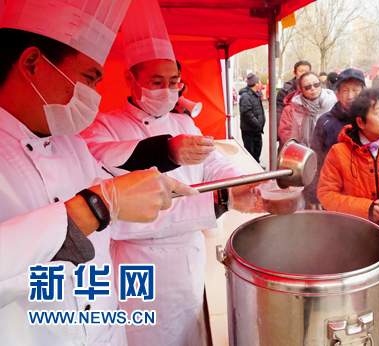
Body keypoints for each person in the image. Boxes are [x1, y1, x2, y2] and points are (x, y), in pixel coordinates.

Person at [0, 1, 200, 345]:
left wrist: (220, 201)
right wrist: (91, 208)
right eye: (89, 79)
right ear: (32, 63)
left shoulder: (72, 147)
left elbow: (120, 216)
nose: (93, 95)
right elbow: (98, 209)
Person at [81, 2, 263, 345]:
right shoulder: (105, 127)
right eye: (156, 81)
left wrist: (246, 183)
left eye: (174, 82)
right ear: (130, 79)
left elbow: (212, 164)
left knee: (190, 330)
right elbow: (112, 185)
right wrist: (171, 153)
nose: (166, 90)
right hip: (139, 261)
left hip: (188, 256)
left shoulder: (184, 121)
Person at [317, 88, 379, 225]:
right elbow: (326, 195)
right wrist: (367, 208)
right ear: (360, 122)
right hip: (356, 232)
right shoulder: (339, 152)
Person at [308, 68, 366, 209]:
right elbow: (316, 158)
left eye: (355, 90)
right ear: (337, 94)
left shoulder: (372, 120)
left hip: (365, 199)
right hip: (335, 196)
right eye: (345, 90)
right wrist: (313, 194)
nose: (350, 96)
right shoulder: (325, 121)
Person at [278, 71, 337, 147]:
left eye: (316, 85)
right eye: (308, 87)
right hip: (304, 153)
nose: (313, 88)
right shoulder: (294, 107)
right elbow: (289, 133)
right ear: (300, 88)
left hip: (329, 152)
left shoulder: (333, 103)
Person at [276, 61, 311, 144]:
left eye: (306, 71)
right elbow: (278, 114)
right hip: (289, 135)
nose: (304, 74)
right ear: (295, 73)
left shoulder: (315, 89)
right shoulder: (285, 91)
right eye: (301, 71)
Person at [238, 72, 265, 162]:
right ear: (256, 83)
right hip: (250, 131)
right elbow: (247, 114)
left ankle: (257, 166)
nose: (260, 83)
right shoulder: (246, 96)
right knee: (250, 154)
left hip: (256, 130)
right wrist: (257, 125)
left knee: (257, 151)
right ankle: (252, 172)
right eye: (259, 81)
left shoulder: (256, 94)